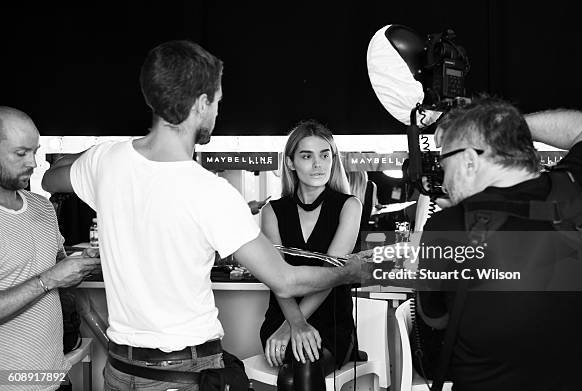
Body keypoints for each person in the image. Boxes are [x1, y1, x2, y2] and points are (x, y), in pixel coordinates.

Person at [41, 41, 368, 391]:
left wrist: (96, 155)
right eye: (217, 101)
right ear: (201, 104)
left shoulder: (105, 161)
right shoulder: (210, 192)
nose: (217, 111)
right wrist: (351, 270)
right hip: (185, 371)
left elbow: (51, 176)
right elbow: (284, 280)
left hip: (120, 368)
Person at [416, 97, 582, 390]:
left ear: (469, 161)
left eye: (445, 164)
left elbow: (434, 325)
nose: (444, 181)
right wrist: (502, 124)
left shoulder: (446, 229)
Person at [0, 107, 101, 391]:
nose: (33, 162)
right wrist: (48, 280)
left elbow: (58, 268)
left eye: (35, 151)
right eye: (21, 153)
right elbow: (49, 278)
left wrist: (82, 263)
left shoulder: (42, 207)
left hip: (53, 376)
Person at [259, 120, 362, 390]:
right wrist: (290, 324)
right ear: (291, 163)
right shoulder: (272, 212)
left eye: (325, 155)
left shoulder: (349, 206)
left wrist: (293, 326)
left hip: (333, 323)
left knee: (296, 372)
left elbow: (331, 276)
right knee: (298, 368)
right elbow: (276, 276)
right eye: (307, 156)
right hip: (280, 316)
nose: (318, 164)